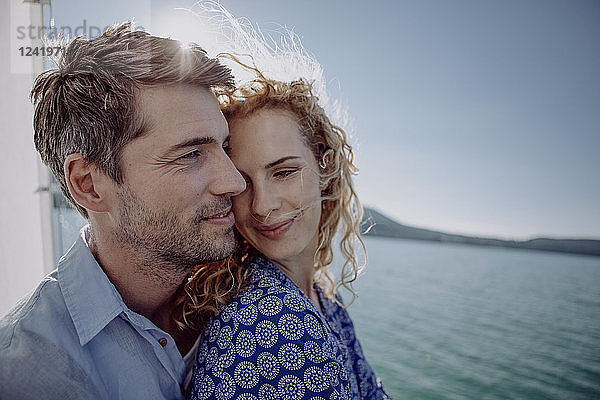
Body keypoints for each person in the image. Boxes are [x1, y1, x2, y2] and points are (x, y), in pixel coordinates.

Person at [0, 22, 246, 399]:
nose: (235, 182)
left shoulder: (243, 285)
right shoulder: (31, 372)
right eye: (191, 154)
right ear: (89, 184)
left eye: (225, 147)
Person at [181, 69, 391, 398]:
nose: (262, 206)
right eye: (243, 182)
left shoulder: (321, 299)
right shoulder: (273, 325)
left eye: (284, 172)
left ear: (325, 166)